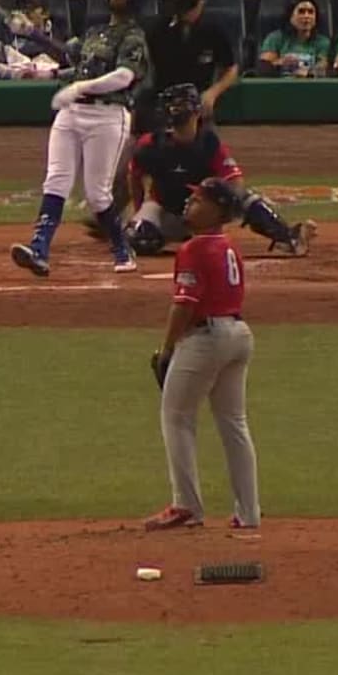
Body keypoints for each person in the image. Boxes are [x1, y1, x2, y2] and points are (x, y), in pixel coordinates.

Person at [10, 0, 152, 277]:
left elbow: (123, 77)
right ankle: (40, 249)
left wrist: (80, 87)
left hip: (107, 117)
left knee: (98, 193)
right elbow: (68, 56)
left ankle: (122, 250)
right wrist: (32, 34)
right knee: (56, 181)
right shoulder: (94, 31)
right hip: (72, 114)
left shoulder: (134, 37)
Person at [143, 175, 260, 536]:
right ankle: (249, 512)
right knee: (234, 423)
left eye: (198, 200)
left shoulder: (193, 249)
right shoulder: (229, 246)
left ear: (217, 210)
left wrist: (167, 349)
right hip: (239, 335)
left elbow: (184, 305)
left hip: (205, 338)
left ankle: (186, 506)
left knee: (176, 417)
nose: (188, 204)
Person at [127, 84, 316, 259]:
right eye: (174, 105)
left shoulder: (208, 143)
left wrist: (215, 208)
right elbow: (134, 177)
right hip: (166, 210)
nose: (177, 110)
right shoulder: (150, 145)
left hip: (206, 210)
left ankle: (289, 238)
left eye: (182, 104)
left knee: (244, 197)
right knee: (139, 237)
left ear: (197, 111)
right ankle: (184, 240)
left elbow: (236, 182)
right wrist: (138, 211)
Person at [144, 0, 239, 128]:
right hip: (163, 103)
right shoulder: (157, 30)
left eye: (196, 0)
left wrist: (213, 93)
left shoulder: (213, 30)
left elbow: (231, 68)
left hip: (198, 105)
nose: (192, 8)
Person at [257, 0, 330, 78]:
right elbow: (263, 67)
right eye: (301, 12)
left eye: (310, 12)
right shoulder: (275, 38)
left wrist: (308, 73)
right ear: (290, 17)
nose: (306, 16)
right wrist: (281, 63)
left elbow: (324, 67)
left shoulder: (323, 42)